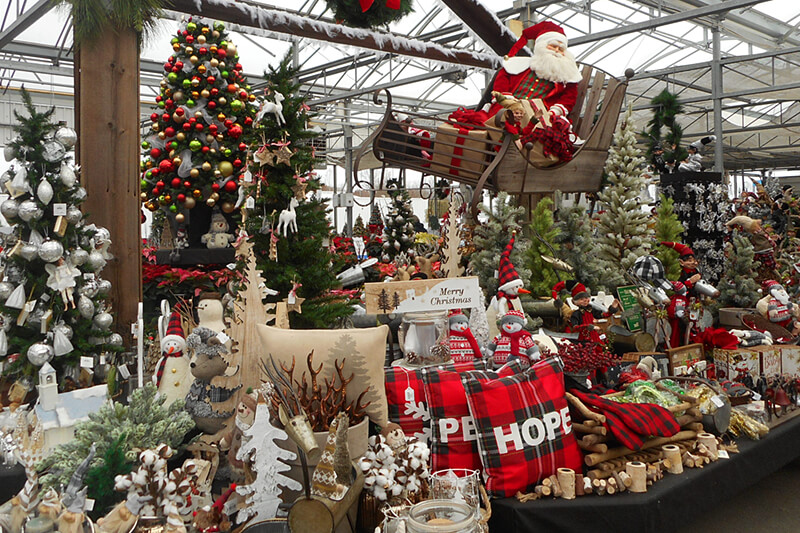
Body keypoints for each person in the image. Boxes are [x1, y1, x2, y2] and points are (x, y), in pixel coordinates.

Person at [487, 21, 582, 122]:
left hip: (539, 117)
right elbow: (502, 83)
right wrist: (509, 103)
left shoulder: (566, 75)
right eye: (553, 46)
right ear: (541, 46)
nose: (556, 51)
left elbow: (568, 99)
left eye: (561, 49)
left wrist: (553, 112)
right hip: (507, 110)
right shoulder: (518, 65)